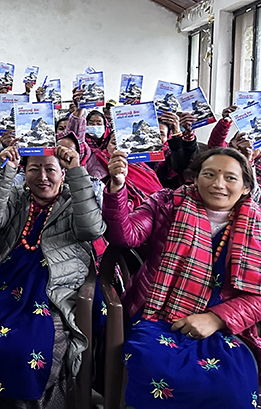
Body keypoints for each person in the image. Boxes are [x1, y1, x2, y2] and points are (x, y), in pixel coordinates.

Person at [0, 144, 104, 408]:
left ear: (62, 174)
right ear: (24, 172)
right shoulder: (17, 195)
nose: (42, 177)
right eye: (34, 169)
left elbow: (92, 229)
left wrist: (77, 172)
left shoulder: (75, 197)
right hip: (3, 282)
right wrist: (6, 173)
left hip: (51, 288)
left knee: (25, 348)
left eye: (50, 169)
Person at [103, 148, 261, 408]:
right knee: (159, 376)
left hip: (227, 329)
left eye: (230, 178)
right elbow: (124, 236)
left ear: (246, 187)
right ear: (194, 178)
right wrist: (117, 188)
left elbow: (257, 297)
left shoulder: (256, 225)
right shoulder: (166, 203)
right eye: (209, 174)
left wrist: (216, 319)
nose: (218, 184)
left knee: (230, 391)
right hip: (157, 316)